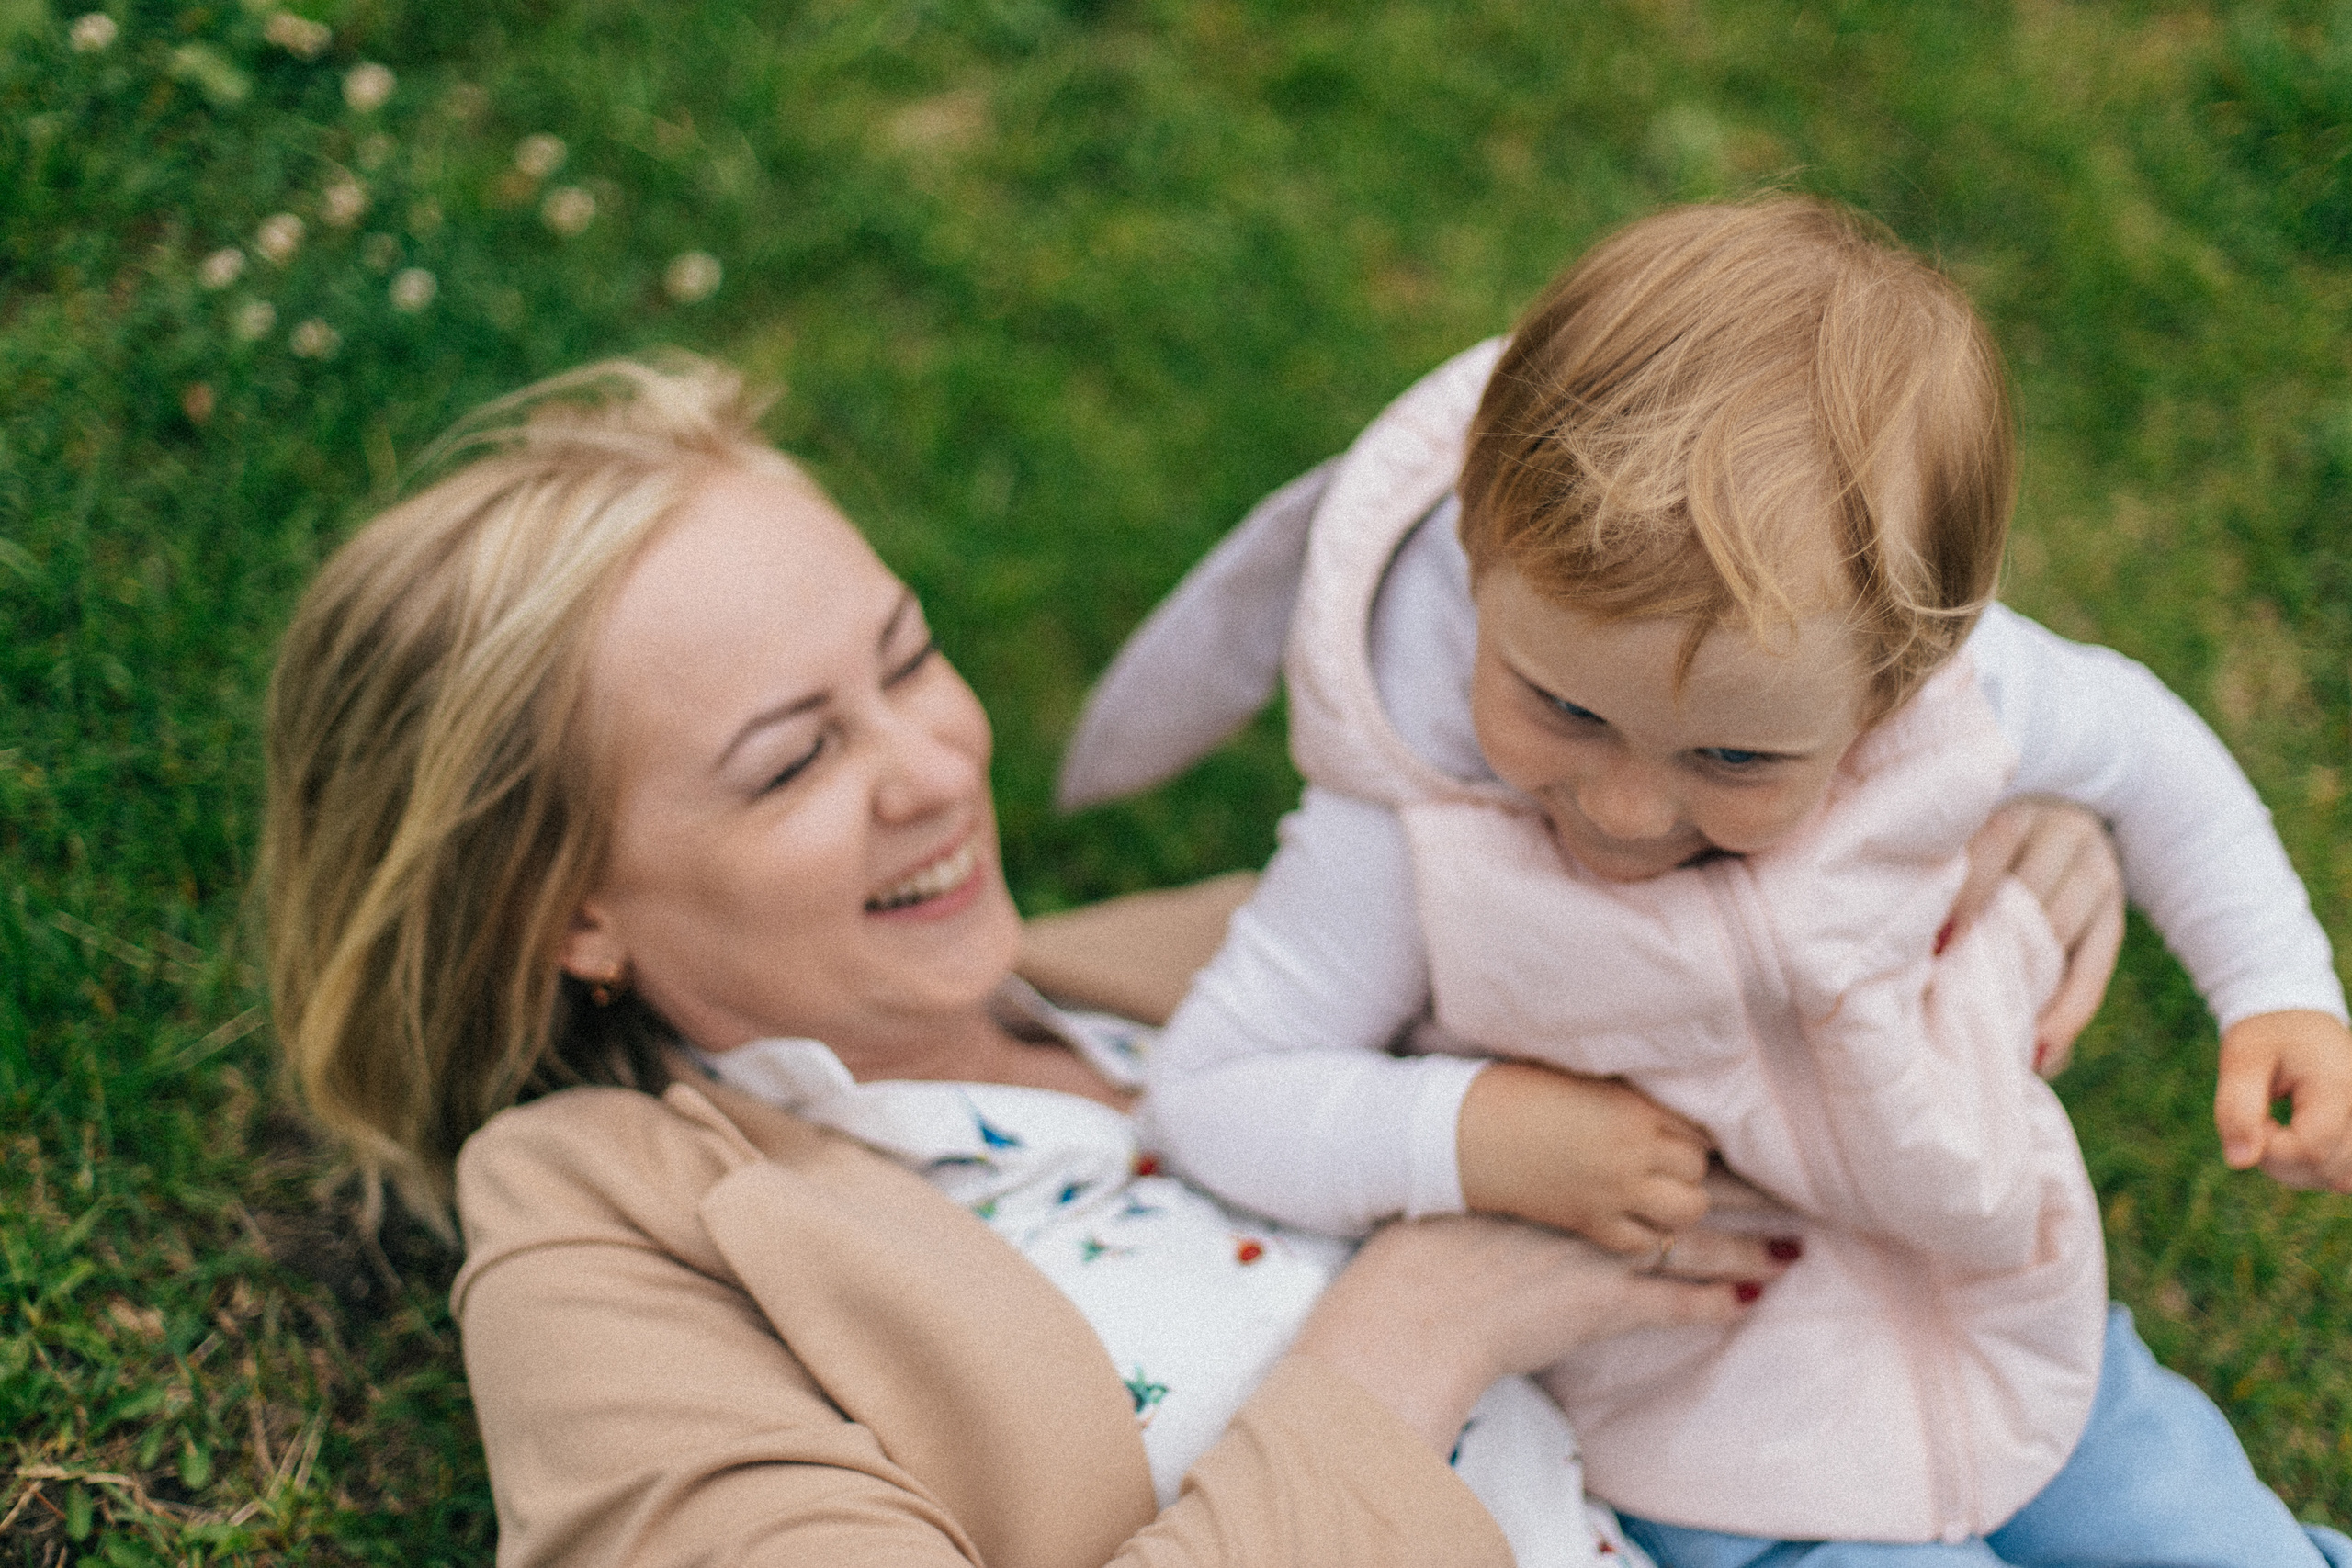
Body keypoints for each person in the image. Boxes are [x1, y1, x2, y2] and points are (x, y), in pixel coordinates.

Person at [261, 353, 2120, 1566]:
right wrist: (1422, 1322)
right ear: (561, 910)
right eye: (791, 759)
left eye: (904, 660)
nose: (929, 766)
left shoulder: (1199, 969)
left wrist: (1995, 862)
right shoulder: (606, 1233)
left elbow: (1693, 901)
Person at [1134, 199, 2352, 1564]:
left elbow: (2154, 755)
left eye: (1732, 755)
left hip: (2013, 1318)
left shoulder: (1955, 694)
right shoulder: (1411, 823)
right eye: (1562, 709)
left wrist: (2279, 993)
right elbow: (1214, 1091)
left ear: (1900, 678)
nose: (1626, 805)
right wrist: (1479, 1132)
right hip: (1718, 1441)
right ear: (1481, 564)